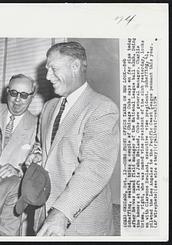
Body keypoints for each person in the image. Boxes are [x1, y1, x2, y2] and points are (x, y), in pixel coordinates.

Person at [34, 41, 120, 236]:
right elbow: (45, 148)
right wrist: (36, 156)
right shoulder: (48, 107)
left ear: (75, 66)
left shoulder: (102, 109)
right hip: (44, 218)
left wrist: (61, 213)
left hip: (80, 224)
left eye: (53, 69)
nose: (47, 77)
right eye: (47, 70)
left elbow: (95, 166)